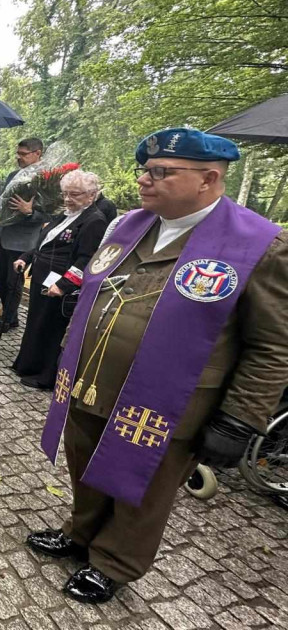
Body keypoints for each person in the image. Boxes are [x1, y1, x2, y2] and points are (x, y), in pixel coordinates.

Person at [28, 128, 288, 605]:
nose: (144, 180)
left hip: (170, 401)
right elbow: (94, 293)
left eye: (159, 172)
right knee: (84, 467)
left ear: (209, 178)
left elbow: (274, 346)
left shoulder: (260, 245)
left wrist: (241, 419)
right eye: (145, 169)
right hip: (92, 382)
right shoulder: (131, 225)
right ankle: (81, 533)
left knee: (140, 487)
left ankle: (114, 562)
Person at [11, 170, 107, 390]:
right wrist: (25, 258)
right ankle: (27, 364)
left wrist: (64, 285)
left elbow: (87, 259)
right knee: (37, 323)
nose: (68, 199)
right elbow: (44, 242)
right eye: (65, 193)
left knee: (53, 329)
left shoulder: (94, 221)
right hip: (43, 278)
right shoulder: (65, 215)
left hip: (60, 283)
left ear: (91, 195)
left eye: (75, 194)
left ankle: (46, 376)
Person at [0, 138, 48, 334]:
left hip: (23, 241)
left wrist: (30, 212)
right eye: (18, 153)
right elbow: (1, 207)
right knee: (2, 279)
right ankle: (10, 317)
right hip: (3, 236)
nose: (19, 157)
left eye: (23, 154)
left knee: (13, 282)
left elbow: (52, 214)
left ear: (37, 153)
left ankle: (7, 320)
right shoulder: (14, 175)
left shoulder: (46, 179)